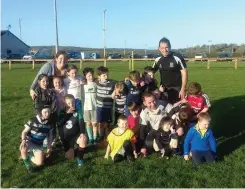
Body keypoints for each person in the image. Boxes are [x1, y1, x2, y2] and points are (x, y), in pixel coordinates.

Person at [152, 37, 187, 103]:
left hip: (177, 88)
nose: (164, 50)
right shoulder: (158, 59)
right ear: (159, 48)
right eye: (162, 48)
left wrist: (183, 89)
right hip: (164, 89)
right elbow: (151, 72)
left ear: (170, 47)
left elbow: (184, 73)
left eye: (166, 47)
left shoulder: (177, 57)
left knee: (177, 109)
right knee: (165, 108)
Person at [19, 105, 53, 172]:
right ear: (40, 112)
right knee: (23, 149)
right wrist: (23, 140)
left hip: (39, 144)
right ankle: (28, 166)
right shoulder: (33, 120)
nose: (47, 114)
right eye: (45, 112)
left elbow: (50, 137)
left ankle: (29, 154)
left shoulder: (50, 123)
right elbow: (24, 132)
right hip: (29, 141)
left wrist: (49, 149)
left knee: (39, 163)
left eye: (49, 112)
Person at [57, 94, 87, 166]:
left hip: (76, 135)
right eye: (69, 103)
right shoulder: (61, 111)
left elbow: (81, 122)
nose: (71, 105)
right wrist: (67, 114)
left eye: (73, 103)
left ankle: (80, 158)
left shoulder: (78, 110)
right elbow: (59, 124)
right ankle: (73, 148)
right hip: (66, 137)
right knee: (70, 157)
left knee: (83, 139)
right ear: (65, 103)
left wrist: (82, 133)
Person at [96, 66, 115, 140]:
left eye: (107, 74)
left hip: (108, 108)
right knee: (100, 123)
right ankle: (101, 136)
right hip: (100, 108)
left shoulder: (112, 83)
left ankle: (107, 137)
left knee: (107, 124)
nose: (106, 76)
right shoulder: (96, 82)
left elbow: (120, 83)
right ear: (99, 76)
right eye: (104, 75)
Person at [81, 67, 98, 144]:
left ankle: (95, 138)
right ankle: (90, 138)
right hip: (86, 108)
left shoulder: (95, 84)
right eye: (88, 76)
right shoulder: (83, 85)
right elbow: (82, 97)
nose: (91, 77)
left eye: (91, 75)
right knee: (88, 123)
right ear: (85, 77)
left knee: (94, 123)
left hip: (95, 107)